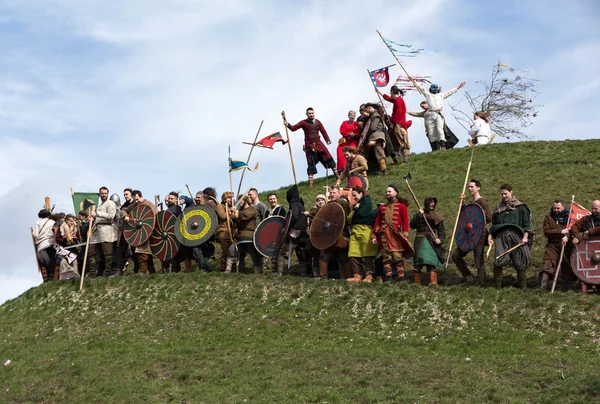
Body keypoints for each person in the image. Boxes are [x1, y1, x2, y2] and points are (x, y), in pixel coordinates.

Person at [488, 184, 533, 289]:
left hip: (517, 236)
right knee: (498, 261)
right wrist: (490, 236)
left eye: (505, 193)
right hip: (501, 237)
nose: (504, 196)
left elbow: (527, 225)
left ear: (511, 192)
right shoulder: (499, 208)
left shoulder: (521, 207)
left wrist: (525, 237)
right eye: (502, 194)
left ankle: (523, 287)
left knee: (520, 261)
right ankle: (497, 287)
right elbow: (493, 225)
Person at [283, 107, 339, 187]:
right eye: (309, 113)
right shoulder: (303, 122)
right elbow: (293, 128)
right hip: (309, 146)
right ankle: (311, 183)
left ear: (314, 114)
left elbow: (323, 131)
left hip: (319, 144)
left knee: (328, 157)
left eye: (312, 113)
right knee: (310, 163)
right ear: (306, 114)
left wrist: (327, 140)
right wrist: (287, 124)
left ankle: (337, 176)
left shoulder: (318, 122)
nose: (311, 115)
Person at [451, 179, 492, 286]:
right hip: (468, 236)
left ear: (478, 188)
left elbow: (488, 218)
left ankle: (482, 284)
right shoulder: (471, 203)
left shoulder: (481, 202)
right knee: (456, 256)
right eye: (468, 187)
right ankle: (468, 276)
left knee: (479, 260)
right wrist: (463, 203)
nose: (469, 188)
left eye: (472, 186)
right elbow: (463, 217)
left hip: (479, 235)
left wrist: (476, 225)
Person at [372, 185, 410, 282]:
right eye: (386, 192)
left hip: (396, 235)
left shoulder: (402, 206)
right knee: (386, 257)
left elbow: (405, 221)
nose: (387, 193)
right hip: (384, 235)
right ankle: (388, 277)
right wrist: (374, 235)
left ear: (395, 193)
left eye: (389, 191)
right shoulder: (382, 208)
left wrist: (405, 234)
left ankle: (401, 277)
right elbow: (377, 222)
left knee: (397, 256)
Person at [415, 81, 466, 150]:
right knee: (431, 132)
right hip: (431, 115)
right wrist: (414, 81)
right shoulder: (428, 95)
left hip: (439, 114)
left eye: (436, 88)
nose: (434, 89)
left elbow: (450, 92)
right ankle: (434, 148)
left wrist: (458, 87)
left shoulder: (441, 95)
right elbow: (422, 88)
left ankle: (443, 146)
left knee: (440, 129)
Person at [317, 186, 352, 279]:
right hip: (329, 238)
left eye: (334, 192)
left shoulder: (343, 204)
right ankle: (323, 277)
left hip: (341, 236)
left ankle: (348, 277)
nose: (332, 194)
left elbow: (345, 220)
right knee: (324, 256)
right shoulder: (328, 206)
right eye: (331, 193)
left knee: (344, 258)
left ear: (338, 194)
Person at [410, 196, 446, 286]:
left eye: (434, 202)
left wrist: (440, 239)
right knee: (418, 263)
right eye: (430, 202)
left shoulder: (437, 217)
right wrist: (419, 215)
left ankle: (433, 283)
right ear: (426, 203)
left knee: (431, 262)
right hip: (420, 240)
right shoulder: (419, 214)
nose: (432, 204)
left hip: (431, 242)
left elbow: (442, 231)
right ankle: (417, 284)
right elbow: (412, 225)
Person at [347, 186, 378, 282]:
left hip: (365, 231)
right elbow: (349, 219)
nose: (354, 198)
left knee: (367, 254)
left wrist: (356, 211)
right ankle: (357, 275)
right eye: (352, 196)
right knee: (352, 253)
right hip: (355, 231)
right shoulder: (356, 206)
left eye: (355, 195)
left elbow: (362, 215)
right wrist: (354, 210)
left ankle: (369, 275)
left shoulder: (366, 202)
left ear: (361, 193)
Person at [568, 200, 600, 293]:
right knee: (587, 268)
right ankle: (585, 289)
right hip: (589, 249)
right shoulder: (586, 219)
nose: (594, 210)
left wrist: (591, 231)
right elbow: (574, 227)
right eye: (593, 208)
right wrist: (577, 236)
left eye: (596, 209)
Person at [122, 190, 157, 275]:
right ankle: (148, 271)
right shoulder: (134, 205)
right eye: (135, 200)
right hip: (139, 232)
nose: (136, 201)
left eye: (137, 199)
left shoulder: (148, 204)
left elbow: (155, 214)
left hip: (148, 232)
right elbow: (123, 210)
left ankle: (144, 271)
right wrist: (126, 215)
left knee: (144, 253)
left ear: (141, 196)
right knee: (142, 252)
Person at [540, 200, 572, 290]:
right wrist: (560, 232)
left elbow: (573, 230)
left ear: (563, 207)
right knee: (548, 264)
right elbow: (546, 232)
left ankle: (567, 290)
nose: (556, 210)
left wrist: (567, 237)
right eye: (554, 208)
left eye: (558, 208)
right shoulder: (548, 217)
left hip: (566, 245)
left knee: (567, 266)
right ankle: (543, 287)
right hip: (552, 245)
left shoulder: (569, 216)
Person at [377, 86, 412, 164]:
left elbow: (398, 113)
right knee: (396, 142)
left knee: (402, 142)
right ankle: (398, 159)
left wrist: (393, 123)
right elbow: (390, 99)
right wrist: (380, 93)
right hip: (398, 124)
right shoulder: (397, 100)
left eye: (391, 92)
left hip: (399, 125)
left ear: (392, 91)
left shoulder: (398, 100)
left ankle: (405, 160)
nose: (390, 94)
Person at [229, 195, 262, 274]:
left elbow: (244, 216)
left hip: (249, 236)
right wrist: (232, 216)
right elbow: (235, 223)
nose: (239, 202)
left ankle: (257, 271)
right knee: (237, 253)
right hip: (239, 236)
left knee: (254, 254)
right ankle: (240, 270)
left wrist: (236, 212)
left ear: (246, 201)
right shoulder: (240, 211)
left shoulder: (252, 209)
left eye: (241, 201)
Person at [89, 186, 117, 277]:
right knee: (91, 250)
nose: (104, 195)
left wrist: (97, 213)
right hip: (97, 230)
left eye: (105, 193)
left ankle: (108, 271)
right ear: (100, 194)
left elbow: (111, 216)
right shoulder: (100, 206)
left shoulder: (111, 203)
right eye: (102, 193)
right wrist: (92, 218)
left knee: (107, 252)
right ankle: (93, 272)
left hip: (107, 229)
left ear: (107, 194)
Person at [360, 103, 389, 175]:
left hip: (377, 136)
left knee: (379, 151)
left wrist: (366, 135)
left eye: (367, 110)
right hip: (373, 136)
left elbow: (372, 128)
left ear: (370, 108)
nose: (367, 112)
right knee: (365, 152)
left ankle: (384, 169)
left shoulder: (375, 116)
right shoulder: (372, 116)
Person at [32, 209, 56, 282]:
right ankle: (52, 280)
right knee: (52, 264)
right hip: (51, 244)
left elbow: (35, 234)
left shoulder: (38, 222)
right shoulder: (53, 222)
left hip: (41, 245)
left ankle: (47, 281)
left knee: (44, 265)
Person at [215, 192, 236, 272]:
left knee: (231, 250)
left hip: (230, 231)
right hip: (222, 231)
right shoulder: (220, 206)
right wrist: (230, 210)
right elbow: (223, 216)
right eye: (228, 198)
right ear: (224, 198)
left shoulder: (231, 206)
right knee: (225, 249)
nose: (230, 199)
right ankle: (223, 267)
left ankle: (232, 267)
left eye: (230, 198)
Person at [55, 214, 81, 280]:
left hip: (73, 249)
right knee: (63, 262)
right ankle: (64, 279)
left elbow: (78, 238)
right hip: (64, 250)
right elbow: (57, 239)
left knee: (74, 263)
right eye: (70, 221)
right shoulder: (61, 228)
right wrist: (65, 239)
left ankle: (75, 278)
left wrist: (75, 238)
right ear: (66, 220)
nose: (72, 223)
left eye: (72, 221)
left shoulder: (75, 229)